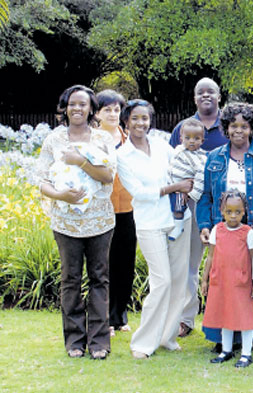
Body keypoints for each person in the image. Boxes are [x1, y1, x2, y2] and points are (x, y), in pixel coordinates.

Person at [37, 85, 116, 360]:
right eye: (72, 104)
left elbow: (107, 177)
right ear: (65, 107)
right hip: (66, 223)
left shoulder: (103, 139)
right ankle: (74, 341)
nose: (77, 109)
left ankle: (98, 343)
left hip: (99, 222)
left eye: (83, 104)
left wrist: (80, 161)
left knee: (99, 279)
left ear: (91, 109)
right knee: (70, 280)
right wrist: (62, 196)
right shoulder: (54, 140)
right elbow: (42, 181)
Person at [116, 99, 194, 359]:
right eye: (135, 118)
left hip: (178, 218)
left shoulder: (162, 146)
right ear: (126, 121)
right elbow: (140, 193)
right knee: (161, 281)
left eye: (145, 118)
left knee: (179, 281)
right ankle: (143, 343)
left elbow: (183, 168)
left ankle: (167, 336)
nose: (140, 123)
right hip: (150, 222)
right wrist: (175, 187)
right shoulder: (122, 156)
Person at [197, 102, 253, 354]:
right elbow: (206, 195)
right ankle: (223, 337)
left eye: (244, 126)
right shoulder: (214, 157)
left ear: (252, 129)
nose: (238, 131)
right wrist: (205, 225)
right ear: (226, 128)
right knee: (224, 284)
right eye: (233, 126)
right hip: (224, 232)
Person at [169, 77, 228, 338]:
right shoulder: (183, 128)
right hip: (190, 204)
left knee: (225, 264)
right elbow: (172, 167)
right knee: (188, 265)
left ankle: (224, 318)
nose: (206, 95)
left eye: (211, 92)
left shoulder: (228, 127)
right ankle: (185, 318)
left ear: (219, 96)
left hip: (226, 206)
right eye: (200, 92)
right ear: (194, 98)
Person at [201, 189, 253, 368]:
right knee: (225, 314)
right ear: (221, 211)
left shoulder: (248, 233)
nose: (233, 216)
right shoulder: (217, 230)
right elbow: (210, 257)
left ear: (244, 211)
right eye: (229, 211)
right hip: (221, 281)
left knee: (244, 317)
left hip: (241, 282)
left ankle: (246, 353)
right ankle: (226, 350)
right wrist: (205, 280)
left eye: (237, 212)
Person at [96, 89, 137, 337]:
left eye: (116, 109)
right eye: (107, 109)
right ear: (97, 113)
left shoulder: (129, 139)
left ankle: (120, 316)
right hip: (102, 209)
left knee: (125, 264)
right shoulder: (93, 139)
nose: (112, 114)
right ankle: (105, 319)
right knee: (105, 265)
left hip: (129, 209)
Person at [167, 118, 207, 241]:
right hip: (170, 183)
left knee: (178, 207)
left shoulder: (200, 158)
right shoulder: (178, 149)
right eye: (187, 138)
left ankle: (178, 226)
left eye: (196, 138)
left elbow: (200, 177)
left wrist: (191, 193)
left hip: (183, 190)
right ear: (181, 139)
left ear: (202, 140)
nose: (191, 141)